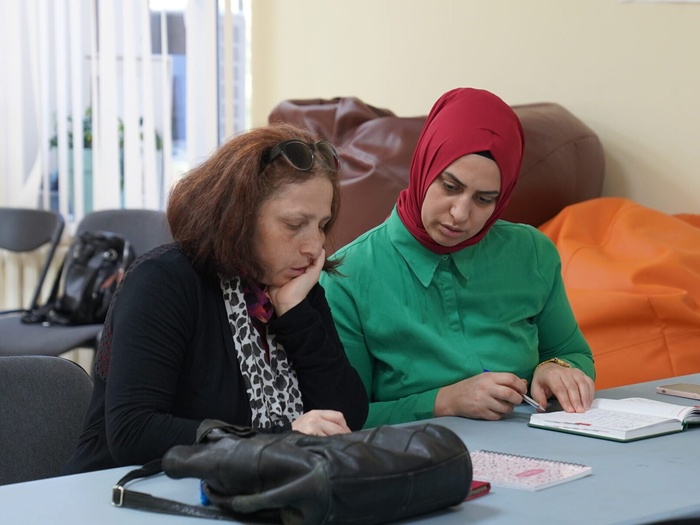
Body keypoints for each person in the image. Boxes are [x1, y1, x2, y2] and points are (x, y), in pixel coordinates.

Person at [62, 123, 368, 474]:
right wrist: (280, 440)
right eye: (294, 225)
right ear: (238, 216)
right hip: (122, 489)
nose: (314, 246)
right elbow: (134, 432)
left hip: (241, 489)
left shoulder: (294, 286)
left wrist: (295, 314)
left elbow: (347, 416)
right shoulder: (163, 281)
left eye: (322, 225)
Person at [320, 87, 595, 428]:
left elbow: (574, 354)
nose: (460, 213)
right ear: (424, 169)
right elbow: (345, 419)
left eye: (484, 199)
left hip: (539, 447)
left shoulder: (532, 253)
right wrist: (443, 402)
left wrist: (557, 369)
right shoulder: (346, 276)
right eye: (450, 187)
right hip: (414, 453)